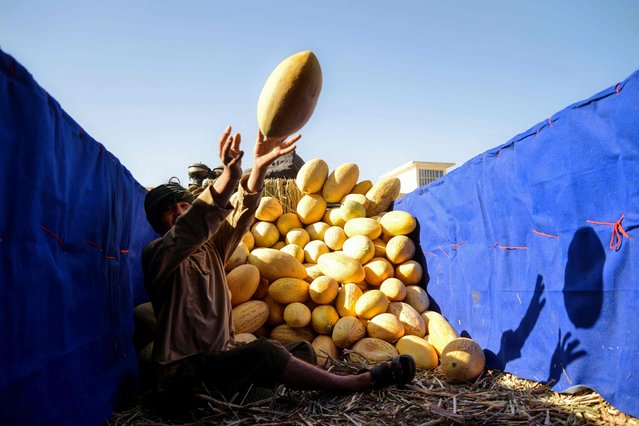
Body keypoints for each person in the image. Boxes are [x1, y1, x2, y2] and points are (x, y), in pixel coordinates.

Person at [142, 126, 415, 413]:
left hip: (221, 365)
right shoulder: (158, 255)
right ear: (158, 224)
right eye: (172, 211)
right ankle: (355, 384)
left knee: (300, 350)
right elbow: (190, 228)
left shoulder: (211, 248)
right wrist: (229, 176)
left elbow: (241, 212)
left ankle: (271, 393)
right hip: (182, 376)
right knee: (264, 352)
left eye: (186, 204)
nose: (181, 212)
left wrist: (258, 168)